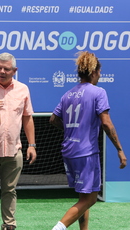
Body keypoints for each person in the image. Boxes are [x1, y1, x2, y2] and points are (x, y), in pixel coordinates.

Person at [50, 51, 127, 230]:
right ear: (93, 72)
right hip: (86, 152)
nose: (100, 75)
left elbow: (53, 120)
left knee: (83, 196)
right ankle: (59, 228)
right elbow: (106, 124)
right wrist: (120, 149)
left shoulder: (67, 94)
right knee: (91, 198)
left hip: (69, 151)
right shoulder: (98, 92)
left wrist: (71, 129)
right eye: (99, 72)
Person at [0, 52, 36, 230]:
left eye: (6, 68)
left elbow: (27, 117)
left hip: (14, 149)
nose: (1, 71)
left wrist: (32, 145)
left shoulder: (23, 89)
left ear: (15, 70)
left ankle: (9, 225)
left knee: (9, 190)